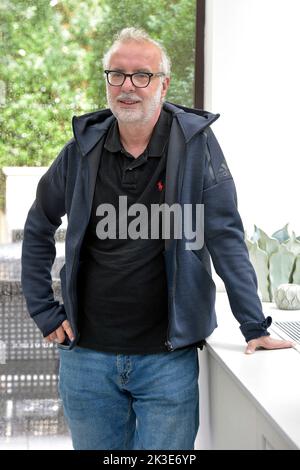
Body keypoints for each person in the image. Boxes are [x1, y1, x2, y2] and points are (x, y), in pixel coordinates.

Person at [21, 27, 293, 450]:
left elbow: (225, 234)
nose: (128, 86)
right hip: (86, 359)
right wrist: (43, 310)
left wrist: (253, 324)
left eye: (142, 75)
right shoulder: (80, 150)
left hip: (168, 362)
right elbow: (39, 225)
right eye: (117, 74)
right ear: (107, 82)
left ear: (163, 85)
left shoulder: (196, 146)